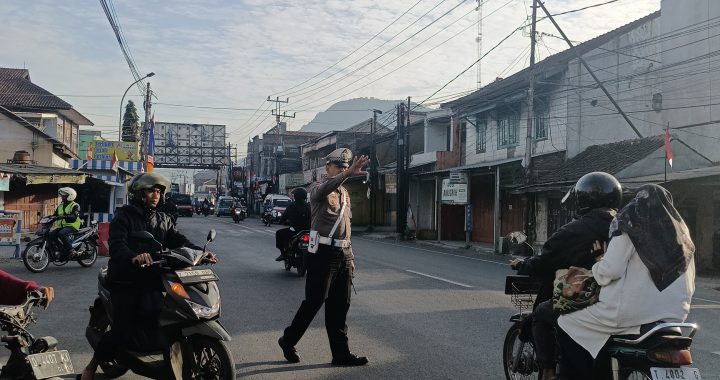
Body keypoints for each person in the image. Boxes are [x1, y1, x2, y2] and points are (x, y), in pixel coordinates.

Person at [79, 173, 216, 380]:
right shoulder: (123, 216)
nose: (156, 195)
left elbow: (179, 241)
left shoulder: (163, 219)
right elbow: (117, 246)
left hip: (154, 277)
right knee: (123, 328)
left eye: (159, 191)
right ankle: (91, 366)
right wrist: (134, 257)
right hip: (126, 279)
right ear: (139, 193)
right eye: (151, 190)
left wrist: (201, 253)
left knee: (171, 313)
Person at [557, 184, 695, 379]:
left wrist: (597, 265)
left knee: (566, 322)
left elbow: (610, 270)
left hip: (630, 312)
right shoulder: (683, 234)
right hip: (674, 315)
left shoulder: (630, 222)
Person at [510, 172, 622, 380]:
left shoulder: (573, 231)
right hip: (624, 299)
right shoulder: (626, 228)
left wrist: (524, 264)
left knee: (541, 314)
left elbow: (545, 262)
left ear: (582, 200)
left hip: (585, 295)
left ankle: (549, 371)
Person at [278, 148, 370, 366]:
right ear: (327, 168)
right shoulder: (318, 189)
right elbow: (329, 186)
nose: (342, 170)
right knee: (314, 302)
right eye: (338, 167)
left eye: (345, 168)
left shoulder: (345, 195)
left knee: (341, 305)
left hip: (343, 254)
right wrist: (345, 176)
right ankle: (288, 340)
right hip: (322, 254)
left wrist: (351, 256)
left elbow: (345, 227)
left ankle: (340, 354)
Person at [275, 187, 311, 261]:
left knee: (279, 233)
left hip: (295, 231)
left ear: (296, 196)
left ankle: (283, 253)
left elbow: (283, 218)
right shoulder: (309, 206)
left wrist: (281, 221)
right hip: (308, 231)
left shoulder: (292, 206)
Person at [49, 187, 81, 261]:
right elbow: (55, 215)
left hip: (72, 225)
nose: (62, 197)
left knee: (61, 234)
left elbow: (74, 216)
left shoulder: (75, 205)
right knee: (51, 235)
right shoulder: (60, 206)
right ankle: (61, 249)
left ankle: (71, 250)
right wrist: (49, 218)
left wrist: (64, 216)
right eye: (62, 196)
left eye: (64, 196)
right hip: (63, 226)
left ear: (70, 196)